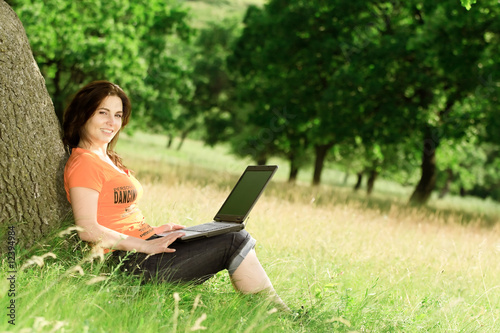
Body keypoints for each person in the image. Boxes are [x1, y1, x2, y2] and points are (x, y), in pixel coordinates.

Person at [62, 80, 287, 309]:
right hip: (127, 263)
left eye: (118, 115)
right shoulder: (84, 164)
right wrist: (147, 246)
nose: (112, 122)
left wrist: (154, 232)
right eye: (103, 113)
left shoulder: (107, 158)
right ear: (84, 114)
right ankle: (277, 314)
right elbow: (87, 229)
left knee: (233, 233)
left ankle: (273, 312)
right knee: (233, 240)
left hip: (144, 247)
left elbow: (117, 215)